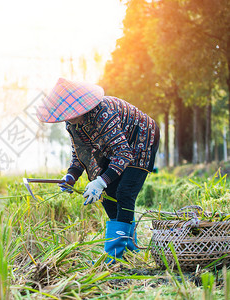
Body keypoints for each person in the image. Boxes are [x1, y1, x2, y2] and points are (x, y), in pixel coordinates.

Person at [36, 78, 159, 263]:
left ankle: (115, 256)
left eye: (71, 113)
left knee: (124, 192)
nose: (69, 118)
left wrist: (100, 181)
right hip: (113, 147)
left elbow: (124, 154)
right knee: (108, 194)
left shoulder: (103, 112)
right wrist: (71, 176)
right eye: (65, 115)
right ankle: (130, 247)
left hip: (140, 140)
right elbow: (80, 153)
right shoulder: (71, 125)